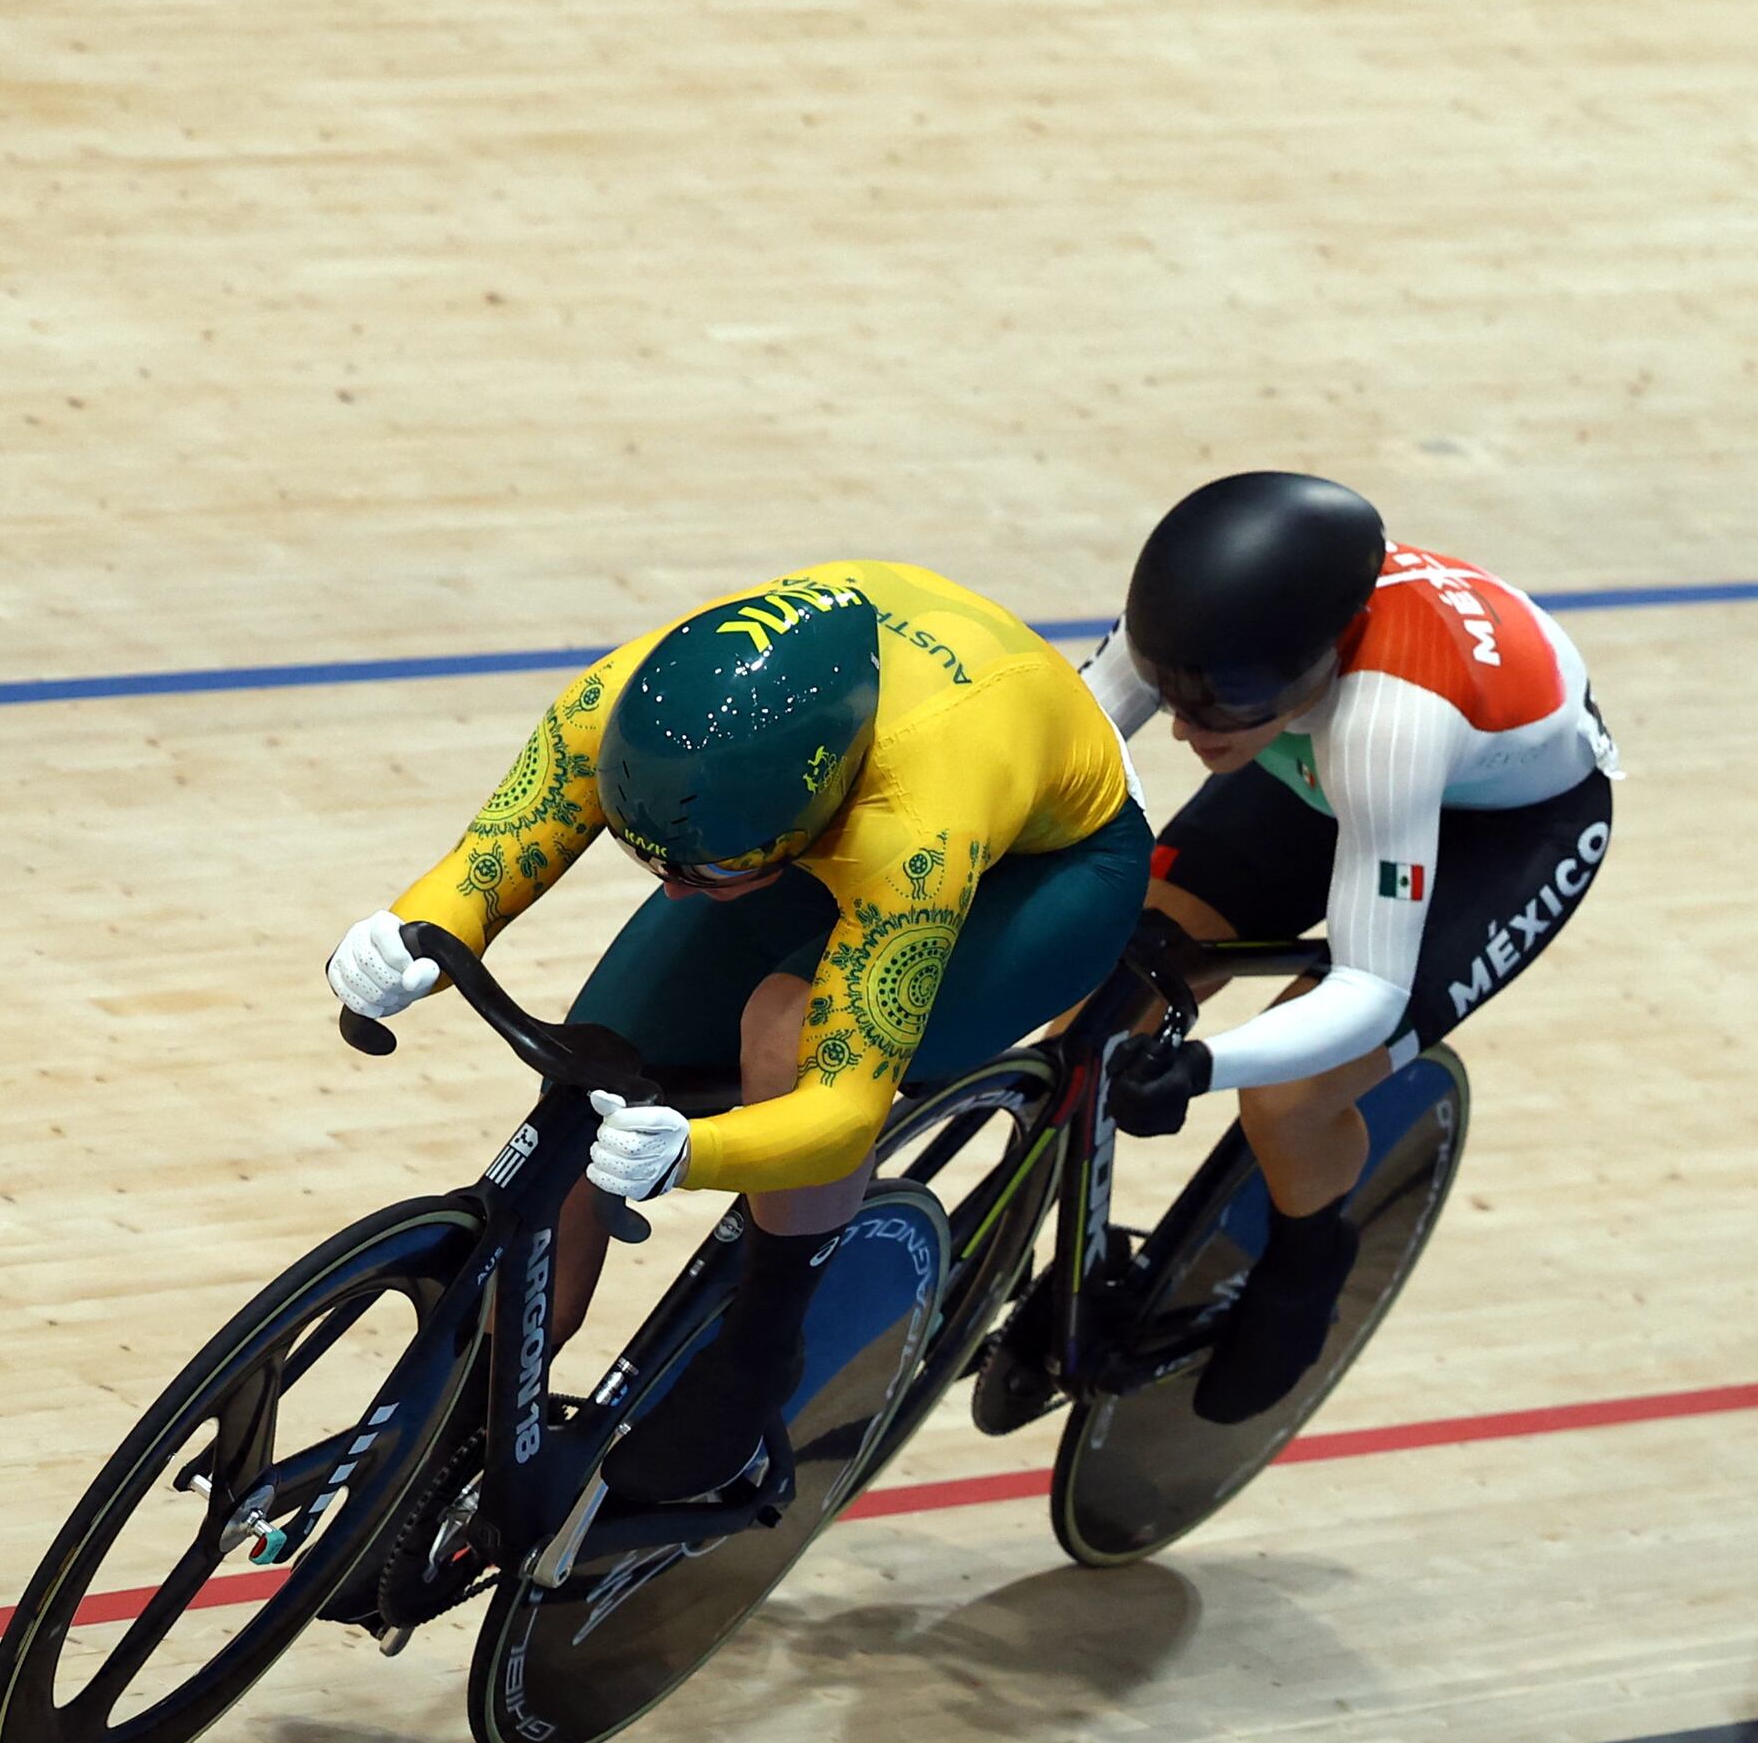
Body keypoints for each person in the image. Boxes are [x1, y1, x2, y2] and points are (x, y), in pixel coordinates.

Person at [325, 563, 1151, 1499]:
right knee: (595, 1074)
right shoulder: (629, 705)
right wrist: (405, 934)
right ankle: (480, 1396)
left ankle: (764, 1341)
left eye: (706, 873)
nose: (673, 891)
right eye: (651, 860)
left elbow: (841, 1106)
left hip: (1050, 876)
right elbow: (486, 862)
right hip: (831, 812)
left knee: (787, 1031)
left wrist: (697, 1152)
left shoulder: (913, 826)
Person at [1073, 473, 1616, 1423]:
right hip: (1309, 775)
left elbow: (1366, 987)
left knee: (1288, 1097)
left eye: (1227, 705)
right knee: (1100, 992)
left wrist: (1205, 1066)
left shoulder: (1386, 724)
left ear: (1321, 662)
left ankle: (1308, 1262)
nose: (1193, 730)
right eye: (1174, 696)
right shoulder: (1193, 639)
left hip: (1503, 830)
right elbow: (1050, 763)